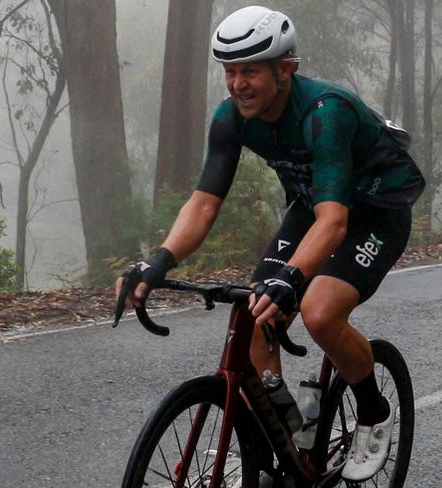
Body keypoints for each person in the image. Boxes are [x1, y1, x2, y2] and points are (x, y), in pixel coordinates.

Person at [115, 5, 424, 482]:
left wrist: (293, 279)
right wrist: (158, 260)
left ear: (286, 69)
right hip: (314, 202)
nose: (238, 83)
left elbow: (335, 222)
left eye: (251, 71)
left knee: (318, 310)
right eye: (231, 71)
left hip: (374, 212)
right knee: (259, 315)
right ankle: (291, 440)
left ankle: (373, 409)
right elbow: (203, 203)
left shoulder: (326, 113)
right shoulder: (232, 118)